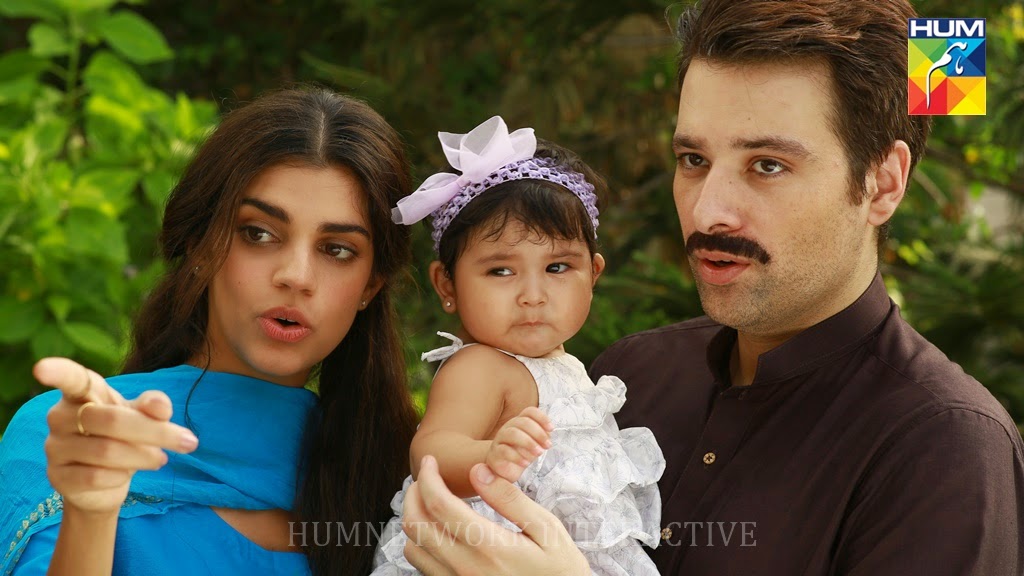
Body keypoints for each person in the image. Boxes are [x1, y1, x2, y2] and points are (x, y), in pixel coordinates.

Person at [396, 1, 1024, 574]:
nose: (706, 211)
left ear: (882, 184)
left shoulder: (944, 446)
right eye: (693, 160)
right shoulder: (629, 377)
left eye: (767, 165)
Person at [0, 88, 419, 575]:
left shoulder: (404, 484)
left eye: (337, 249)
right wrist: (89, 515)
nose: (296, 276)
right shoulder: (77, 437)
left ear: (370, 286)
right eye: (258, 233)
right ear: (201, 245)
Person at [373, 116, 665, 575]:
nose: (533, 294)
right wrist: (487, 458)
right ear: (446, 284)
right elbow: (431, 453)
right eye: (501, 271)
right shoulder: (481, 366)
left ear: (593, 275)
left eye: (557, 268)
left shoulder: (565, 369)